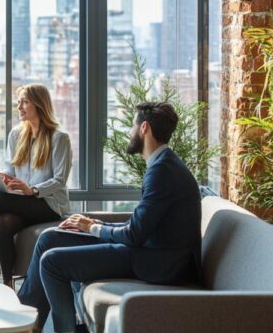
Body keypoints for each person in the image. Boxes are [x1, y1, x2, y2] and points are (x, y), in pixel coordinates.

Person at [17, 102, 201, 333]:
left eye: (133, 126)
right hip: (149, 249)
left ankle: (63, 329)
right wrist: (95, 224)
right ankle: (26, 320)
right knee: (50, 238)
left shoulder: (162, 172)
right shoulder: (164, 165)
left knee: (52, 262)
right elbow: (141, 224)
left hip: (156, 262)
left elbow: (134, 234)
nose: (130, 132)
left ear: (144, 128)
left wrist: (93, 229)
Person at [0, 83, 72, 285]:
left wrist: (33, 190)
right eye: (19, 102)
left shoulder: (59, 138)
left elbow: (60, 179)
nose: (19, 107)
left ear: (39, 104)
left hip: (49, 204)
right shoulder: (16, 135)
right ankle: (8, 284)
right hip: (23, 203)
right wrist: (3, 179)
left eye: (24, 102)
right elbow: (11, 170)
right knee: (4, 222)